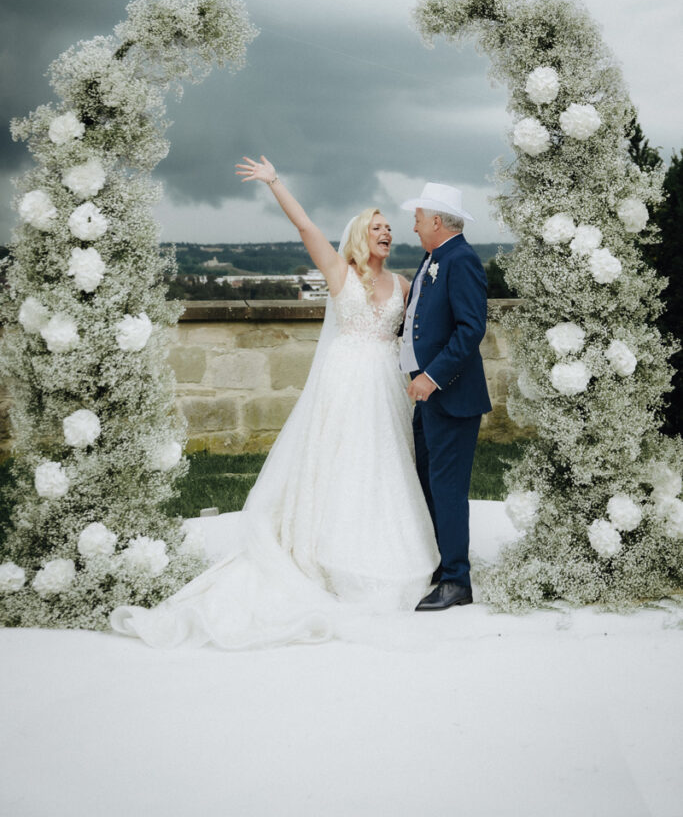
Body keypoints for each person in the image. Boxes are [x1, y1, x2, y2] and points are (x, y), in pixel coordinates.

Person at [110, 156, 438, 649]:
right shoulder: (338, 271)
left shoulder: (405, 285)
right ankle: (324, 550)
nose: (386, 232)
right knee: (339, 459)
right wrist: (274, 182)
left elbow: (418, 332)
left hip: (383, 385)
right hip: (343, 379)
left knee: (382, 462)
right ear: (359, 235)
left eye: (390, 227)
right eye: (376, 227)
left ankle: (387, 551)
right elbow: (304, 224)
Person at [399, 182, 492, 611]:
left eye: (418, 218)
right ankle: (442, 563)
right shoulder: (432, 258)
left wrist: (431, 377)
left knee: (448, 488)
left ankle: (458, 581)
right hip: (430, 397)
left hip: (451, 396)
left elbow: (470, 328)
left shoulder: (461, 260)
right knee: (429, 482)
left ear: (436, 220)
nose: (414, 226)